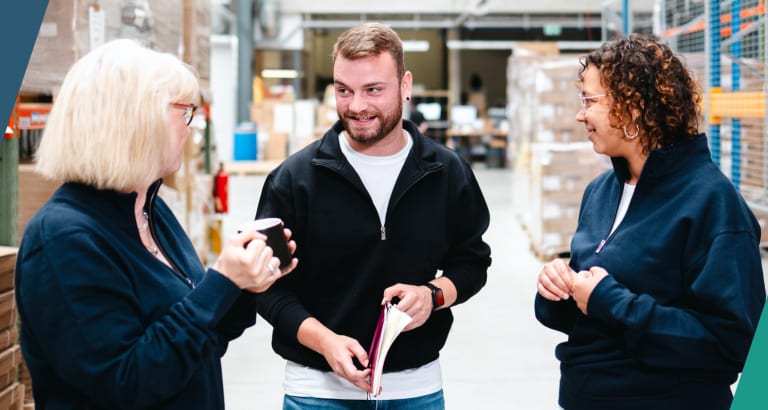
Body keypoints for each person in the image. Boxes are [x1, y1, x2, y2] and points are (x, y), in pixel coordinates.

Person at [15, 39, 297, 409]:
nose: (189, 129)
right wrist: (221, 283)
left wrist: (244, 286)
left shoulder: (150, 212)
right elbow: (127, 382)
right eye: (183, 113)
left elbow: (198, 344)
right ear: (134, 120)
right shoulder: (64, 241)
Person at [254, 22, 491, 409]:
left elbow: (472, 264)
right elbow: (268, 289)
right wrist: (324, 342)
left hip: (414, 390)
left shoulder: (447, 172)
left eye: (374, 90)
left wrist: (431, 296)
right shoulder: (294, 179)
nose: (357, 106)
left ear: (405, 84)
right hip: (317, 392)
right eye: (344, 90)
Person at [535, 34, 766, 410]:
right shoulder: (601, 192)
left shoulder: (712, 203)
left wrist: (611, 301)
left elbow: (731, 343)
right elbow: (587, 310)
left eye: (589, 101)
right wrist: (556, 291)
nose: (581, 115)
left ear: (634, 107)